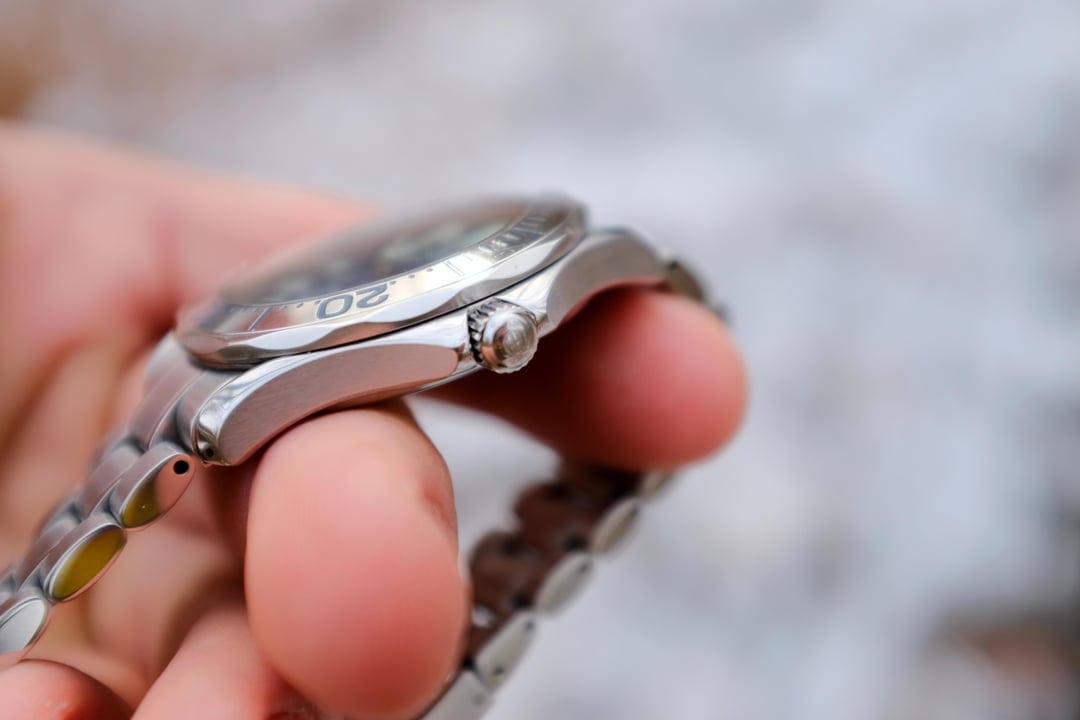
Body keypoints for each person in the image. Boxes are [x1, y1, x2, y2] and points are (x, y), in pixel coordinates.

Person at [0, 124, 748, 720]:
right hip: (236, 338)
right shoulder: (184, 361)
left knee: (360, 588)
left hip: (275, 335)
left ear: (503, 334)